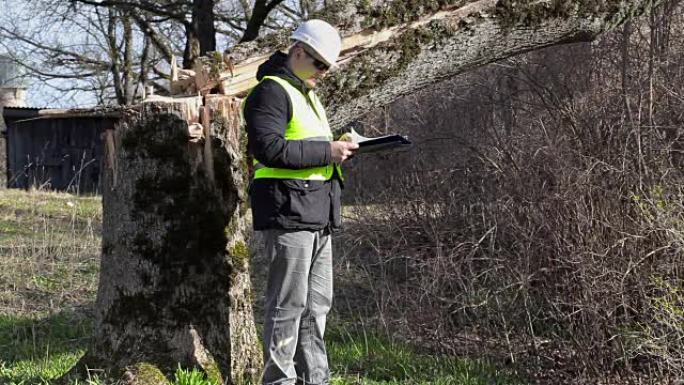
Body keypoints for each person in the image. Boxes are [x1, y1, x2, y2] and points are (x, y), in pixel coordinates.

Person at [243, 19, 358, 385]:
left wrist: (338, 149)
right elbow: (269, 149)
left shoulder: (306, 94)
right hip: (288, 212)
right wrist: (328, 151)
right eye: (319, 64)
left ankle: (316, 380)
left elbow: (307, 151)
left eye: (327, 66)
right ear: (297, 52)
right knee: (287, 306)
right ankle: (279, 381)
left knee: (316, 308)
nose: (323, 73)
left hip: (317, 213)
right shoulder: (270, 92)